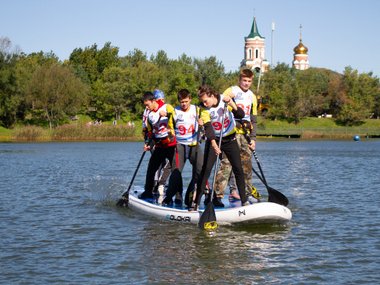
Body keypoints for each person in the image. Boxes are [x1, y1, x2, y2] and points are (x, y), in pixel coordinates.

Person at [192, 85, 249, 210]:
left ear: (212, 96)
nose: (204, 103)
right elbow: (208, 128)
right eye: (202, 102)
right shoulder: (203, 109)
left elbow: (240, 114)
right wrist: (213, 144)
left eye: (206, 101)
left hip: (230, 139)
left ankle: (244, 201)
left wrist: (232, 104)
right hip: (214, 140)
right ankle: (195, 203)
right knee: (206, 170)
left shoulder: (224, 99)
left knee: (238, 169)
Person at [213, 68, 261, 207]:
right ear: (239, 80)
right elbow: (220, 106)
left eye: (249, 81)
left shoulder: (252, 96)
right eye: (244, 80)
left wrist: (253, 138)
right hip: (231, 133)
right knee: (226, 165)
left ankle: (246, 193)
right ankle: (218, 196)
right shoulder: (231, 90)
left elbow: (253, 119)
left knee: (246, 166)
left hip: (245, 135)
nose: (246, 83)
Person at [163, 89, 204, 208]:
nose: (184, 104)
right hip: (180, 145)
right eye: (182, 102)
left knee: (199, 171)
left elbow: (205, 125)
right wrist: (170, 134)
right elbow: (170, 127)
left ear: (190, 99)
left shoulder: (197, 110)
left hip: (194, 145)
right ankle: (171, 196)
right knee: (176, 172)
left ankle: (191, 197)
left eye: (186, 101)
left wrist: (202, 125)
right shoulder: (175, 111)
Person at [138, 91, 177, 200]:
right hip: (159, 146)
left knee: (176, 170)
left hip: (171, 144)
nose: (147, 107)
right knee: (151, 168)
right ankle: (148, 192)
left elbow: (177, 118)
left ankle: (177, 196)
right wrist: (148, 144)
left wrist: (168, 114)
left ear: (153, 101)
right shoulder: (149, 115)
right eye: (145, 105)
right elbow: (151, 133)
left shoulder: (167, 107)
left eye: (148, 105)